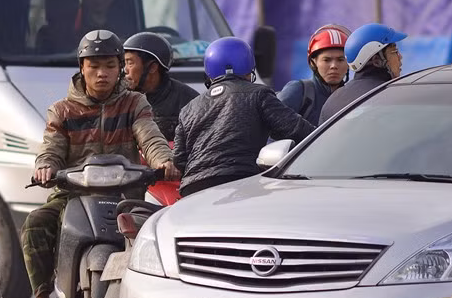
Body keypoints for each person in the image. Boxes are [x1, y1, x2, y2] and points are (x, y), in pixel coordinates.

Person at [22, 29, 179, 298]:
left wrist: (163, 161)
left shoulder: (135, 103)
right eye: (94, 66)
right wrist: (45, 167)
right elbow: (51, 147)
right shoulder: (62, 110)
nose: (101, 73)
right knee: (34, 225)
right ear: (82, 68)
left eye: (109, 65)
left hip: (125, 195)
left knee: (160, 235)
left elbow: (150, 137)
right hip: (72, 196)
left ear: (120, 67)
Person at [174, 36, 315, 197]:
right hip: (240, 184)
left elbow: (179, 159)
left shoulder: (188, 109)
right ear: (249, 69)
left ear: (209, 72)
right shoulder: (258, 94)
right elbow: (297, 129)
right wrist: (328, 140)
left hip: (193, 189)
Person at [319, 23, 406, 124]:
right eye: (394, 51)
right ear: (377, 60)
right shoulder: (394, 96)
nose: (400, 56)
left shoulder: (332, 101)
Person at [124, 31, 199, 141]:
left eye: (130, 63)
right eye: (124, 63)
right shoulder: (119, 97)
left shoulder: (190, 103)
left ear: (152, 68)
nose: (125, 69)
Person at [277, 24, 351, 126]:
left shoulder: (352, 97)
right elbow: (272, 132)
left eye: (340, 60)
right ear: (313, 62)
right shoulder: (299, 90)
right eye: (327, 60)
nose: (334, 66)